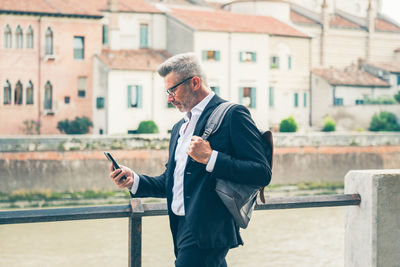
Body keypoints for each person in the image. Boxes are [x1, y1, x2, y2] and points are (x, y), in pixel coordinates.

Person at [109, 52, 271, 267]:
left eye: (172, 90)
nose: (169, 98)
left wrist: (211, 158)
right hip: (181, 228)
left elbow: (261, 172)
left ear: (195, 82)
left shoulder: (233, 115)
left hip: (209, 230)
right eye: (167, 91)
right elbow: (172, 181)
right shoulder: (179, 128)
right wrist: (134, 180)